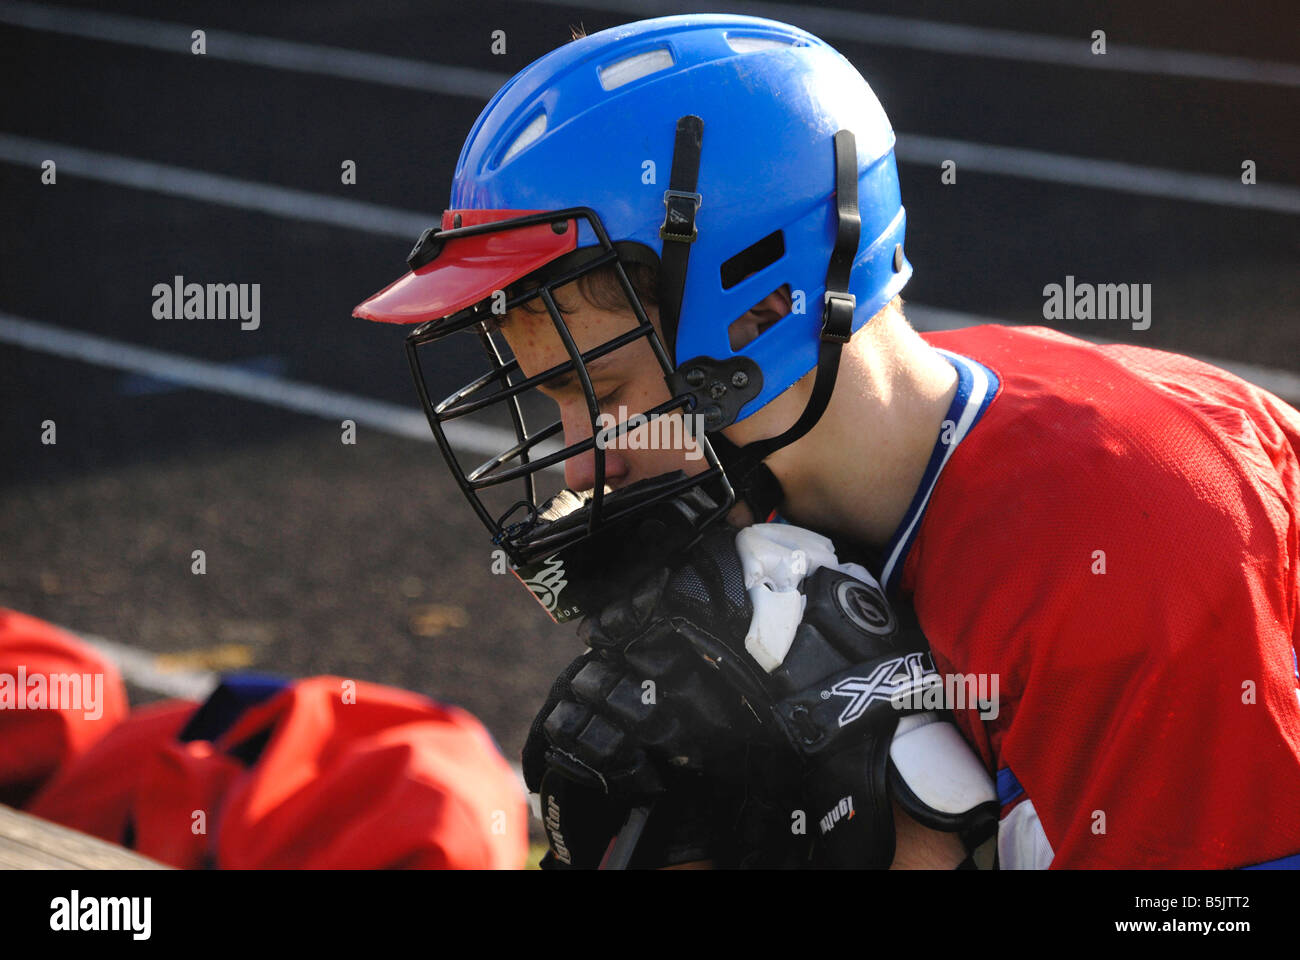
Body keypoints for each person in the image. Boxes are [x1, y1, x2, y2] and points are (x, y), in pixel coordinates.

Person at [354, 14, 1300, 869]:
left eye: (597, 389)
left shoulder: (1121, 556)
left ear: (762, 309)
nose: (575, 462)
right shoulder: (775, 487)